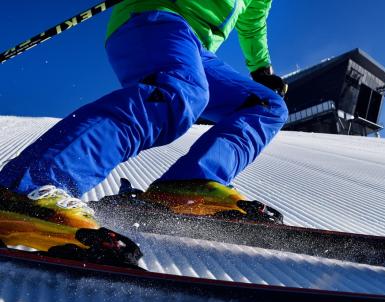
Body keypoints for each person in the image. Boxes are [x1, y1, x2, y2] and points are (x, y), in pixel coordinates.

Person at [0, 0, 288, 255]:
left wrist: (261, 69)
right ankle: (26, 188)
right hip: (155, 17)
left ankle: (188, 185)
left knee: (267, 106)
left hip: (196, 48)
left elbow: (253, 24)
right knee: (179, 94)